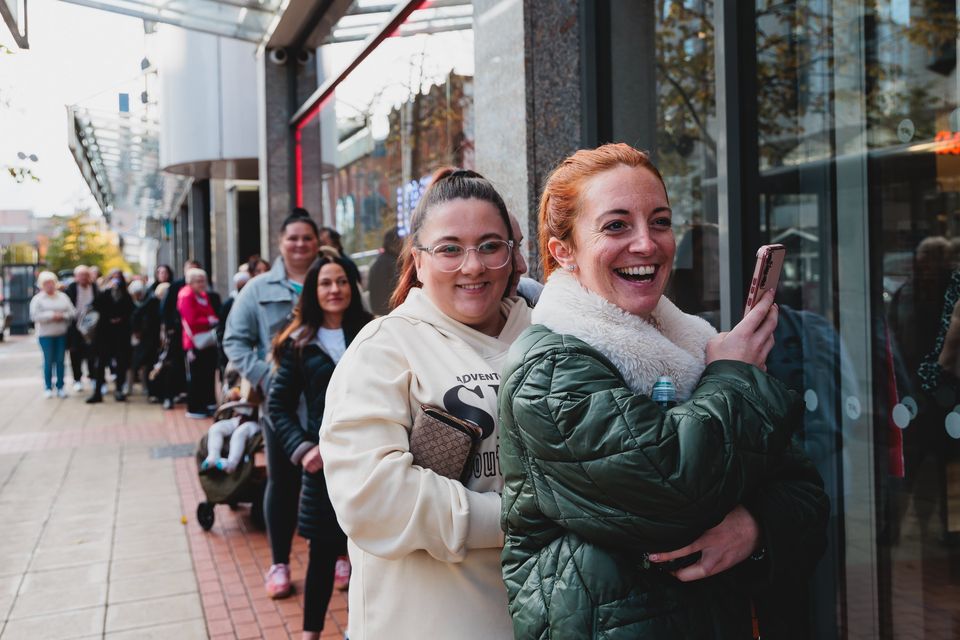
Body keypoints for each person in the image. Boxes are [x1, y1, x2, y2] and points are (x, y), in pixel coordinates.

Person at [497, 143, 829, 638]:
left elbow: (805, 491)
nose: (647, 244)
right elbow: (673, 491)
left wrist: (754, 527)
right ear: (563, 250)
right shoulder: (547, 370)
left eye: (660, 221)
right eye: (616, 225)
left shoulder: (693, 346)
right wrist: (736, 376)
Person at [318, 168, 531, 639]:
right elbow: (370, 497)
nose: (472, 265)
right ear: (418, 259)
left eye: (490, 246)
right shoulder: (383, 347)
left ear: (512, 254)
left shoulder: (543, 335)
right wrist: (515, 517)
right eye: (450, 248)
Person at [269, 257, 373, 640]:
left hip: (370, 461)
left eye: (342, 281)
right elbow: (277, 407)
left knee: (369, 554)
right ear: (314, 291)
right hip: (324, 468)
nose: (334, 290)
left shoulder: (371, 331)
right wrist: (302, 448)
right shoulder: (301, 343)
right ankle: (311, 634)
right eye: (326, 283)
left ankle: (358, 630)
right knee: (323, 555)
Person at [224, 211, 321, 599]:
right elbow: (234, 340)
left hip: (329, 404)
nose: (300, 245)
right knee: (283, 486)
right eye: (293, 238)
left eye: (307, 238)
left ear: (317, 242)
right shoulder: (257, 289)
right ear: (280, 243)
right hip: (281, 410)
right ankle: (279, 563)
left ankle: (334, 555)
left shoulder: (331, 281)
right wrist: (269, 377)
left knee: (333, 483)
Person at [86, 269, 135, 403]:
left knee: (120, 363)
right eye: (113, 277)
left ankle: (119, 390)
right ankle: (97, 392)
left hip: (120, 334)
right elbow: (96, 305)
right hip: (104, 334)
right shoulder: (104, 293)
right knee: (100, 363)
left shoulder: (126, 295)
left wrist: (121, 318)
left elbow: (131, 310)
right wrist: (105, 290)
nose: (116, 280)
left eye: (118, 277)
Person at [178, 268, 220, 418]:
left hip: (207, 339)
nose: (202, 284)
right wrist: (208, 320)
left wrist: (211, 319)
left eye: (203, 280)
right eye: (198, 281)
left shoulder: (202, 295)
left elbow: (211, 312)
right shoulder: (186, 295)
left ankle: (208, 402)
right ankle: (195, 406)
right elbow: (191, 319)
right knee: (197, 375)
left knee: (208, 373)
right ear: (190, 281)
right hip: (194, 342)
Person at [30, 271, 76, 399]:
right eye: (46, 283)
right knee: (48, 361)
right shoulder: (38, 299)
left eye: (51, 283)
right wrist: (51, 315)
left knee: (61, 361)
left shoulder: (62, 297)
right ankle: (48, 386)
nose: (49, 286)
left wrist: (62, 316)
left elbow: (72, 312)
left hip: (61, 333)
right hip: (45, 335)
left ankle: (61, 386)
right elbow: (34, 316)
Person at [65, 265, 99, 392]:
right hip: (75, 327)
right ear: (76, 277)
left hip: (91, 327)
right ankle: (77, 379)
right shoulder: (71, 288)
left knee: (91, 354)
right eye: (81, 275)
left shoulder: (94, 287)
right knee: (75, 354)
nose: (83, 278)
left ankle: (93, 377)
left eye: (86, 275)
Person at [366, 227, 402, 316]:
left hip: (378, 312)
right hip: (392, 314)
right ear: (395, 243)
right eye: (401, 241)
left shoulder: (377, 261)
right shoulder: (393, 263)